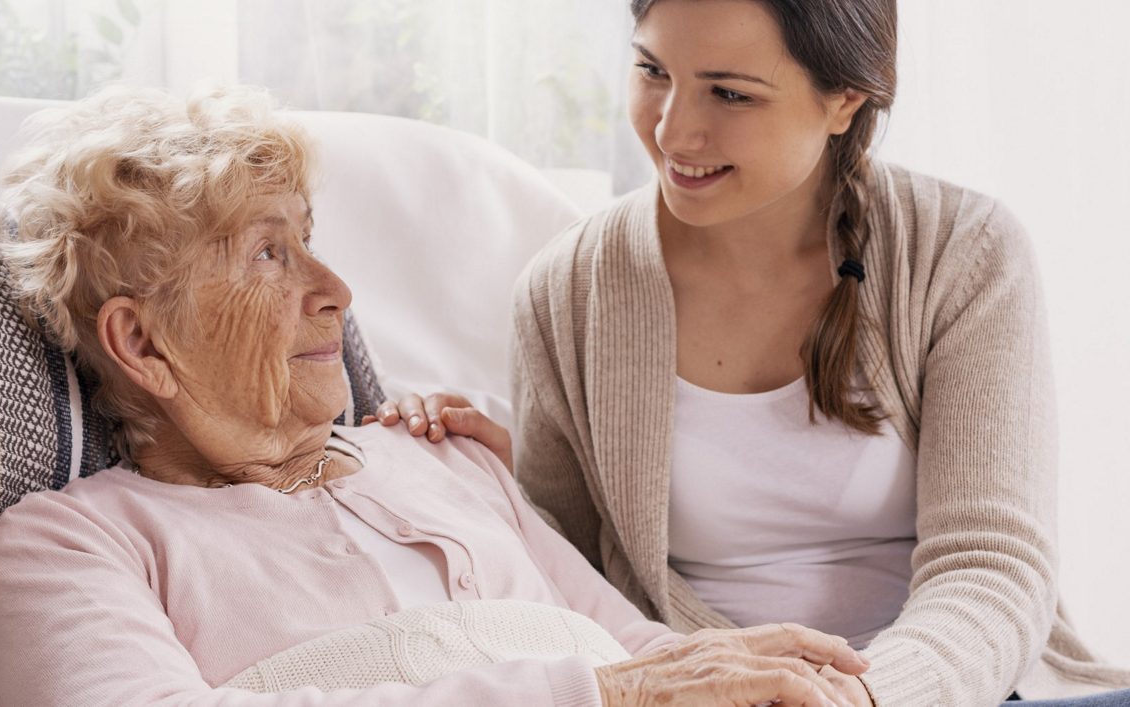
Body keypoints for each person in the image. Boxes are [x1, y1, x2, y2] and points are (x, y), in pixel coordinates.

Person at [0, 84, 875, 707]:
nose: (336, 289)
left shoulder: (447, 458)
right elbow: (623, 685)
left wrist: (764, 673)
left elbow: (638, 652)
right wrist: (597, 693)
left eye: (309, 239)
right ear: (143, 341)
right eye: (267, 253)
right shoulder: (72, 542)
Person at [371, 1, 1130, 705]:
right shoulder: (567, 292)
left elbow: (993, 566)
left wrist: (863, 695)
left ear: (845, 100)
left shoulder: (964, 253)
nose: (672, 132)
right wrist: (485, 488)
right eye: (653, 71)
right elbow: (571, 590)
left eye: (729, 93)